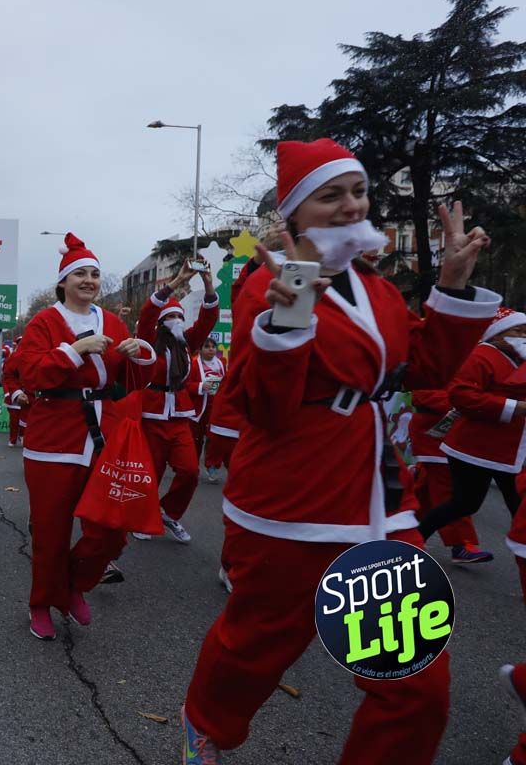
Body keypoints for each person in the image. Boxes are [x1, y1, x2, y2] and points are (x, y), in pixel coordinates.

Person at [180, 138, 498, 765]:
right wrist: (294, 308)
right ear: (294, 214)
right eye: (331, 195)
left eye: (358, 191)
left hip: (381, 501)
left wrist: (452, 286)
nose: (352, 206)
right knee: (255, 648)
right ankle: (206, 724)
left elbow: (424, 370)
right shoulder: (268, 284)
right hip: (293, 503)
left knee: (416, 690)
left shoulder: (375, 287)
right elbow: (266, 410)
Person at [16, 232, 156, 640]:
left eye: (94, 274)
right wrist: (76, 350)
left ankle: (74, 584)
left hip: (104, 436)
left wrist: (139, 354)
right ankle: (41, 602)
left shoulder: (112, 321)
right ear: (62, 282)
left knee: (112, 526)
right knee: (51, 531)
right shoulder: (45, 322)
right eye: (80, 274)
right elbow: (31, 374)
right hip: (53, 439)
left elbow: (132, 381)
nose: (89, 280)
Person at [417, 306, 526, 542]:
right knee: (464, 504)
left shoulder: (520, 358)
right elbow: (462, 395)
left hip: (510, 450)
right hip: (474, 448)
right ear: (498, 334)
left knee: (519, 507)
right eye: (518, 331)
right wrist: (514, 407)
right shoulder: (481, 356)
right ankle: (413, 539)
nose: (524, 336)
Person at [134, 262, 220, 544]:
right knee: (152, 472)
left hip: (180, 416)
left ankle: (168, 513)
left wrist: (208, 284)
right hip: (153, 415)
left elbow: (208, 320)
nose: (177, 320)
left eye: (179, 316)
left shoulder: (186, 343)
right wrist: (175, 282)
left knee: (189, 471)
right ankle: (143, 517)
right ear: (161, 322)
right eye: (171, 316)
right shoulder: (148, 340)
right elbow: (147, 315)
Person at [407, 387, 489, 563]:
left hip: (451, 430)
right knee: (450, 491)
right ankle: (461, 544)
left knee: (426, 490)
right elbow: (423, 393)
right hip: (433, 430)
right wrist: (469, 402)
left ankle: (402, 528)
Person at [188, 335, 226, 483]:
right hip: (198, 409)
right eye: (207, 347)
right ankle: (192, 467)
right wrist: (200, 386)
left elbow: (226, 382)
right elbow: (185, 385)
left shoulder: (221, 363)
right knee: (195, 440)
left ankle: (212, 466)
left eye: (213, 347)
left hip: (215, 408)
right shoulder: (193, 364)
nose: (211, 350)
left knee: (214, 439)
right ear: (200, 349)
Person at [2, 338, 30, 448]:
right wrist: (8, 393)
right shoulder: (12, 358)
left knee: (25, 418)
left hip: (28, 394)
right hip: (13, 395)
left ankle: (22, 436)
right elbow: (6, 377)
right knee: (14, 420)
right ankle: (13, 439)